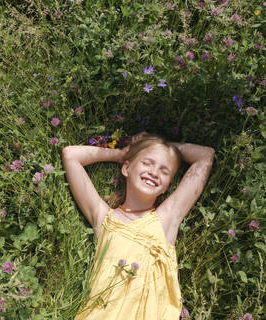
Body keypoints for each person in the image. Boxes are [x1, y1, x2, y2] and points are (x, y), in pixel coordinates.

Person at [62, 132, 215, 319]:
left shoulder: (166, 218)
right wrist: (121, 154)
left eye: (164, 170)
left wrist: (165, 145)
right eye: (147, 162)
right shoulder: (104, 220)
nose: (154, 172)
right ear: (126, 168)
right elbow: (71, 155)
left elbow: (205, 156)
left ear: (167, 186)